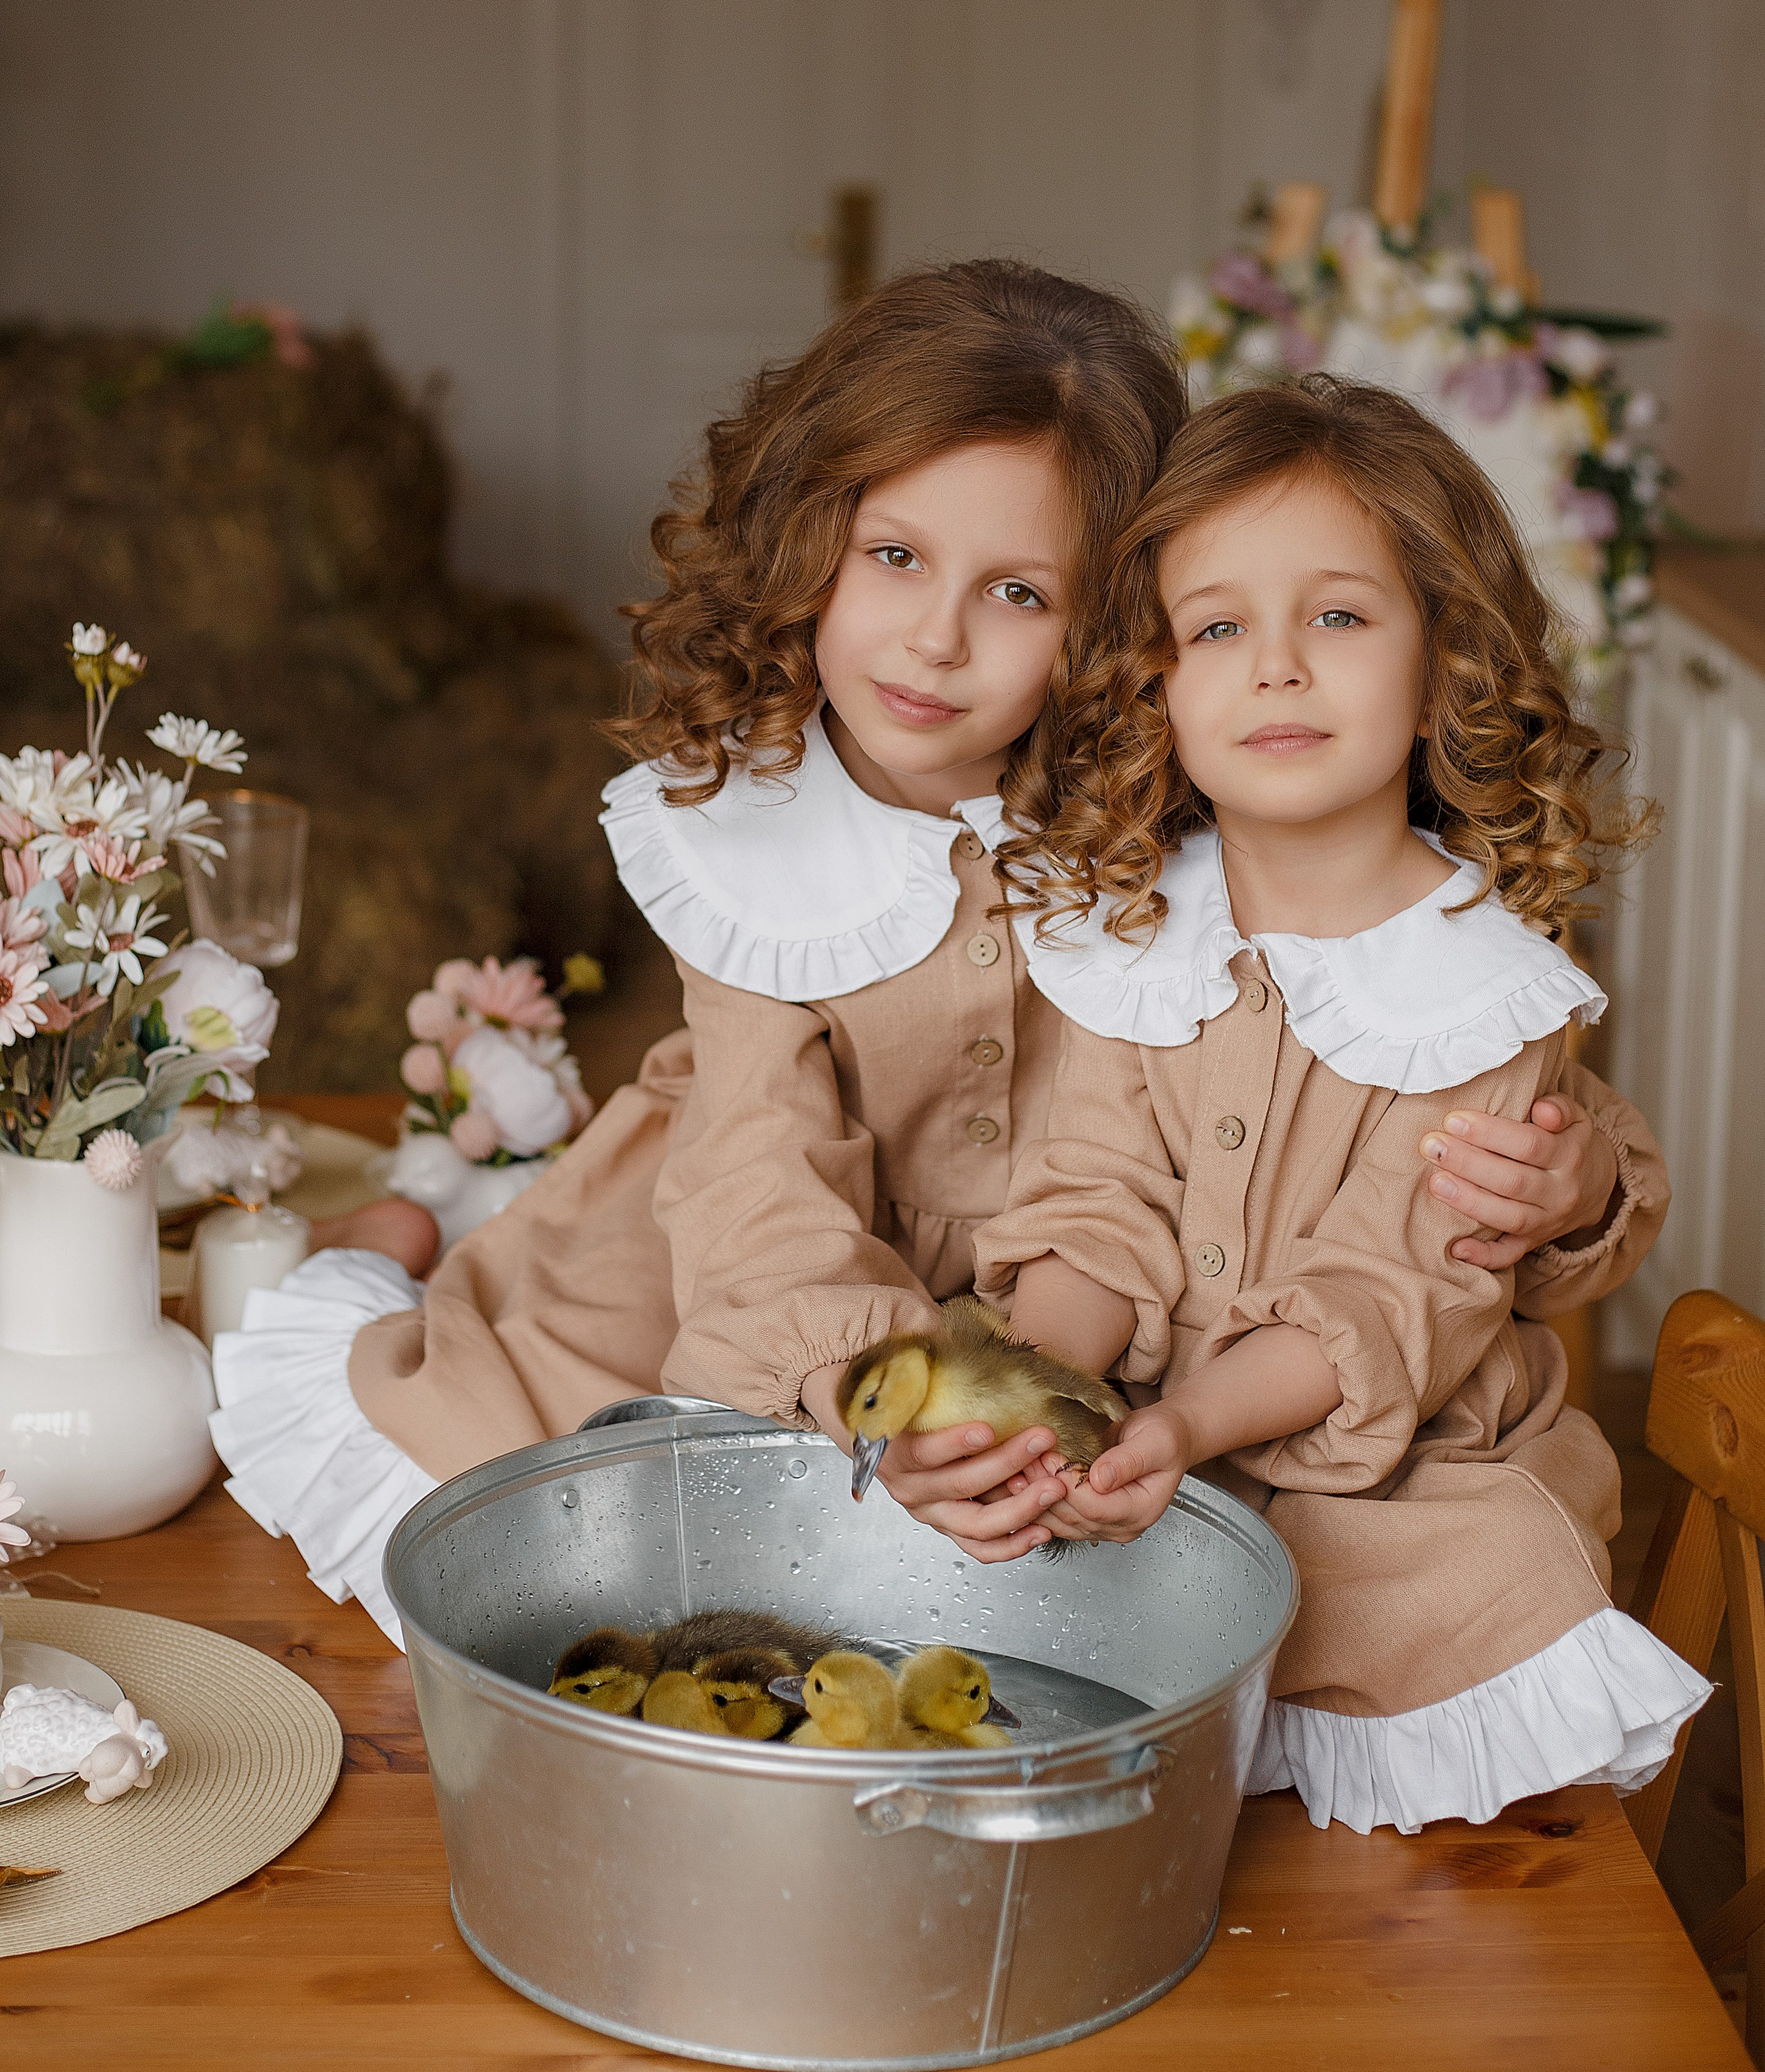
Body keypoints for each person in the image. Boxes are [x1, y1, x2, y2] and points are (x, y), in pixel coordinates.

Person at [210, 272, 1653, 1646]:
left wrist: (1577, 1179)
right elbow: (759, 1175)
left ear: (1115, 623)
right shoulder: (760, 839)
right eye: (893, 557)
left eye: (1019, 595)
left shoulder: (1180, 799)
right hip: (778, 1276)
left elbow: (1380, 1024)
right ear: (809, 539)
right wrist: (878, 1391)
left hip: (1094, 1310)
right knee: (568, 1507)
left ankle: (435, 1210)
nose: (935, 640)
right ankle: (393, 1261)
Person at [970, 374, 1702, 1830]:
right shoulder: (1127, 934)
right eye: (1216, 626)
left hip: (1392, 1475)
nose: (1277, 668)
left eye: (1340, 616)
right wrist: (1035, 1405)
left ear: (1441, 667)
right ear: (1151, 685)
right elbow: (1092, 1202)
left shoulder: (1482, 989)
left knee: (1490, 1561)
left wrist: (1181, 1432)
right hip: (1145, 1437)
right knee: (982, 1540)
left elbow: (1387, 1294)